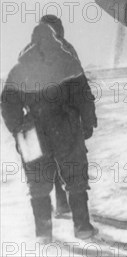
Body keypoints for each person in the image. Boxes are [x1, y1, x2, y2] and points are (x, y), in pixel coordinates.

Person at [1, 24, 98, 242]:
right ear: (54, 38)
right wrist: (88, 123)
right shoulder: (68, 62)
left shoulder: (20, 68)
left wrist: (18, 128)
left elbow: (7, 104)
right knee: (75, 177)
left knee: (38, 182)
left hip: (32, 131)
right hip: (66, 126)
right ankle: (82, 227)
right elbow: (84, 96)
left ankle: (43, 233)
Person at [20, 15, 79, 218]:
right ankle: (67, 206)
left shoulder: (27, 52)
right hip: (62, 118)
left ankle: (45, 223)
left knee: (41, 168)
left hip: (35, 121)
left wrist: (20, 120)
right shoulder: (66, 50)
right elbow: (77, 84)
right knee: (66, 163)